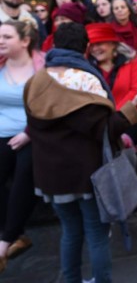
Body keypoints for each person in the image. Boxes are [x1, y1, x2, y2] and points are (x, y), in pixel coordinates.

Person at [24, 23, 137, 283]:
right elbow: (105, 128)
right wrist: (134, 108)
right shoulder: (87, 80)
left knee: (69, 232)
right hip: (87, 173)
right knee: (96, 233)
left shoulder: (35, 81)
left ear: (54, 45)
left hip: (50, 175)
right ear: (86, 47)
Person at [0, 20, 44, 274]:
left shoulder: (42, 65)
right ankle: (17, 236)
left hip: (34, 134)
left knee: (23, 176)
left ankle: (4, 243)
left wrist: (28, 133)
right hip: (2, 134)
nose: (1, 41)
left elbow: (51, 104)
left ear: (25, 41)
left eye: (6, 36)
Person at [86, 23, 137, 143]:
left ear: (112, 44)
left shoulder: (131, 60)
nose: (95, 49)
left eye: (99, 44)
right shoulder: (87, 66)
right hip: (98, 121)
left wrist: (117, 113)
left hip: (128, 117)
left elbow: (136, 89)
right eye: (92, 45)